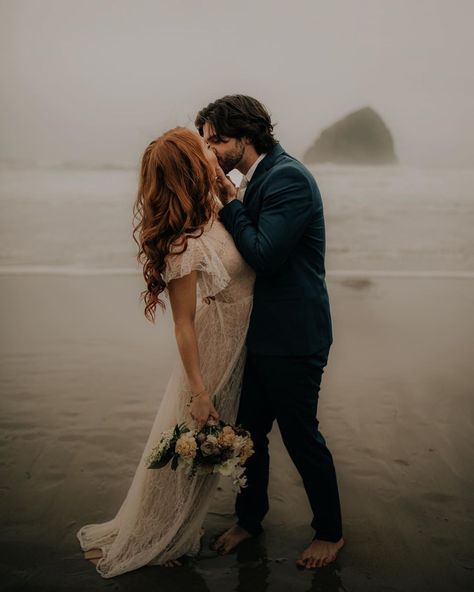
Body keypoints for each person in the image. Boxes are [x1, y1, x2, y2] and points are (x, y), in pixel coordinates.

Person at [76, 127, 256, 576]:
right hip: (215, 347)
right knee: (188, 449)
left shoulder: (214, 211)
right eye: (203, 152)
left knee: (206, 451)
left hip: (244, 335)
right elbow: (182, 322)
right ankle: (155, 537)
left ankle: (172, 530)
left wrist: (229, 192)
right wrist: (198, 389)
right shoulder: (182, 243)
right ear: (188, 169)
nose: (211, 154)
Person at [195, 94, 345, 569]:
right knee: (248, 434)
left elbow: (263, 253)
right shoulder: (257, 176)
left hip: (295, 335)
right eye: (206, 141)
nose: (212, 150)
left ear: (247, 136)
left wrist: (226, 200)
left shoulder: (289, 178)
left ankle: (330, 532)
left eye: (217, 140)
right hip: (259, 334)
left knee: (302, 437)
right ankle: (249, 519)